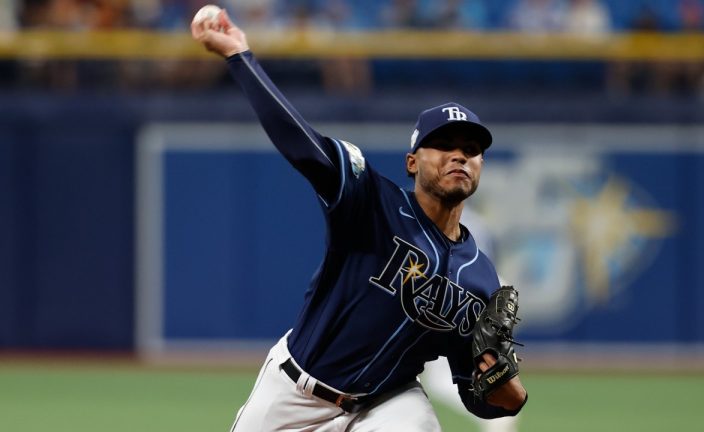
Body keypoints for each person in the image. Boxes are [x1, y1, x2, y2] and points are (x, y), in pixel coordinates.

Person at [190, 9, 528, 431]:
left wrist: (510, 395)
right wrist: (240, 56)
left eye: (471, 148)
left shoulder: (479, 277)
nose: (459, 154)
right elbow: (302, 144)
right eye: (442, 144)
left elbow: (473, 391)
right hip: (295, 393)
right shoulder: (370, 202)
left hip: (386, 403)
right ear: (411, 162)